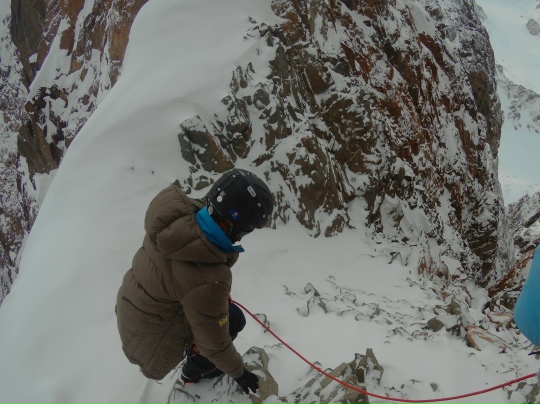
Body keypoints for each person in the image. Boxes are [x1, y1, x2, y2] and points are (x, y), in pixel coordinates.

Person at [115, 168, 274, 394]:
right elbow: (214, 345)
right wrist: (240, 373)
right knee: (234, 320)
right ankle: (194, 372)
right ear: (235, 224)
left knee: (222, 313)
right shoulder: (208, 280)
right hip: (153, 349)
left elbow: (183, 282)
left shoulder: (176, 219)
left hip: (132, 315)